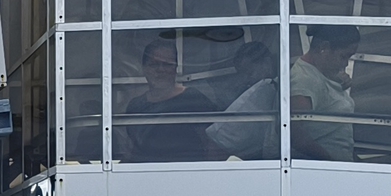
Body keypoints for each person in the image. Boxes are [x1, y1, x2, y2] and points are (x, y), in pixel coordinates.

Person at [206, 24, 362, 161]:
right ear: (324, 48)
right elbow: (293, 132)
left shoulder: (318, 75)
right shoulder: (303, 81)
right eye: (344, 56)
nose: (346, 63)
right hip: (318, 170)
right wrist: (331, 161)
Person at [117, 38, 212, 161]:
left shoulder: (194, 99)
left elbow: (212, 147)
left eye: (167, 64)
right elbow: (131, 149)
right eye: (154, 64)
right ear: (144, 69)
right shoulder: (136, 106)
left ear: (175, 68)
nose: (161, 70)